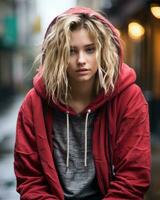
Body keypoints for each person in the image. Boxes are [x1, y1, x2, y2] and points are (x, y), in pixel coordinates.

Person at [14, 6, 151, 200]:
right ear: (58, 55)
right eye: (71, 51)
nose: (81, 60)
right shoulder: (34, 104)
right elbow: (29, 179)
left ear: (102, 50)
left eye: (89, 49)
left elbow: (133, 176)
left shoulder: (128, 98)